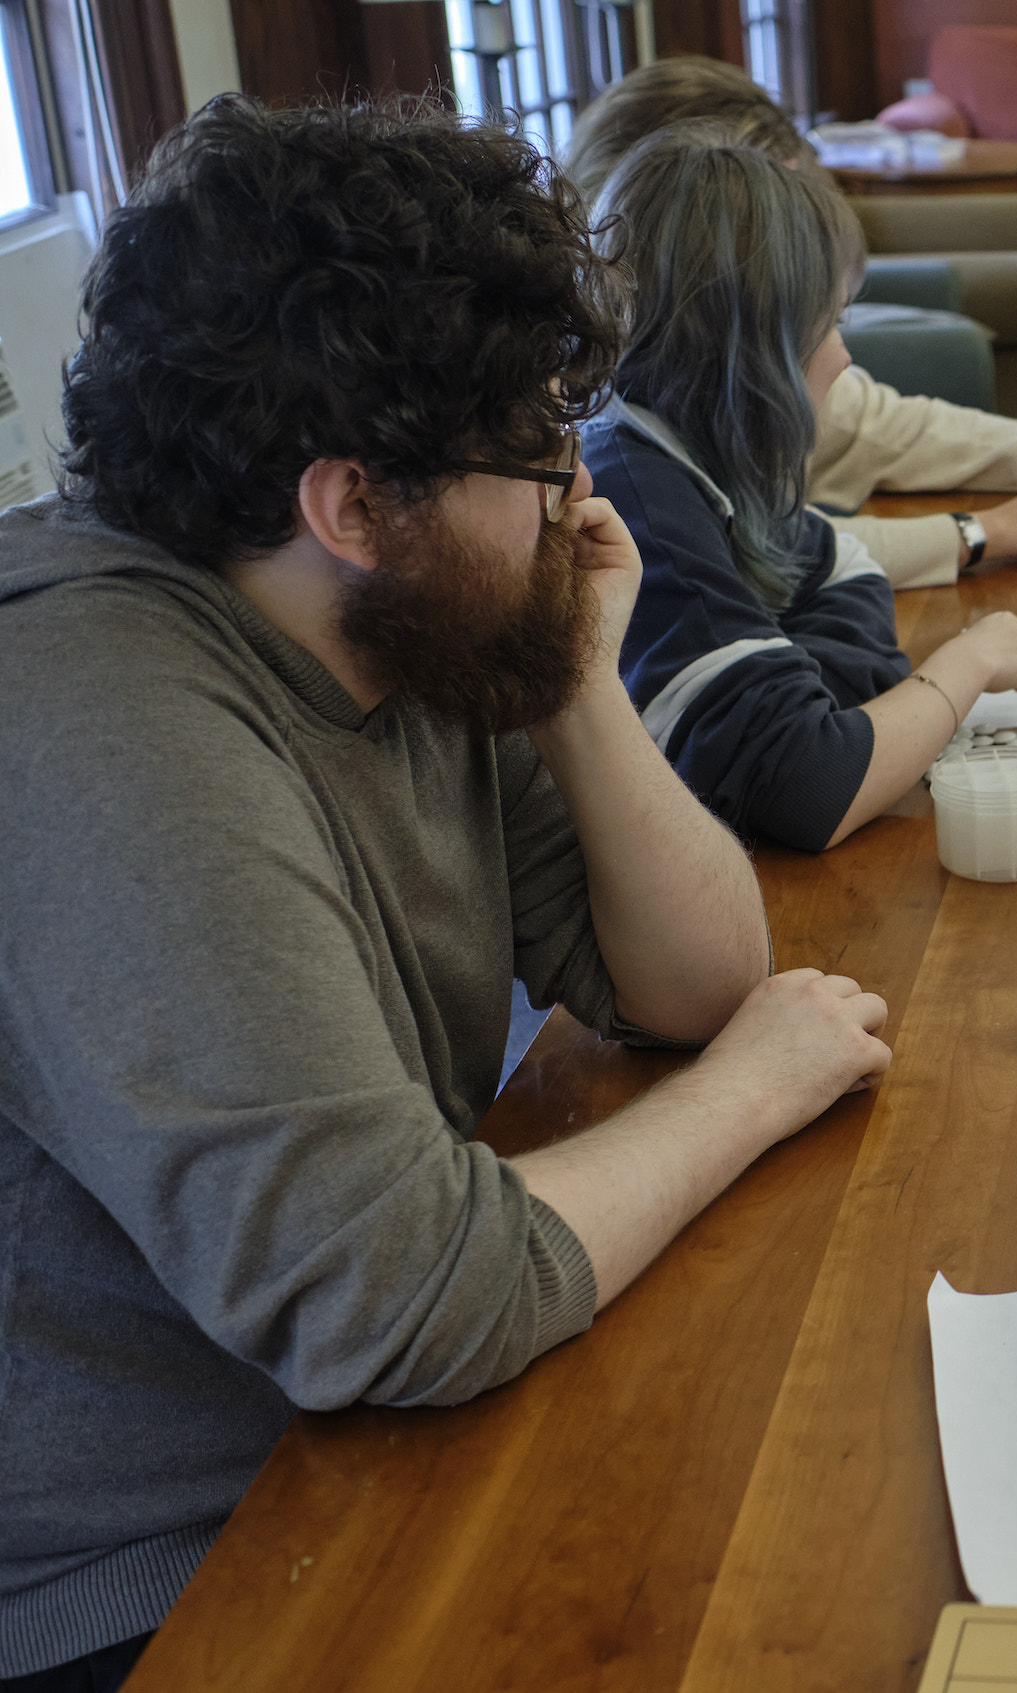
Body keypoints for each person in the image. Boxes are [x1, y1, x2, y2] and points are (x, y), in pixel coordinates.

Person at [0, 98, 892, 1689]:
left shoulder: (408, 622)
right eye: (539, 449)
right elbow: (393, 1299)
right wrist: (754, 1094)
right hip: (154, 1566)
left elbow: (693, 978)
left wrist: (575, 680)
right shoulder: (106, 722)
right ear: (352, 505)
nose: (579, 485)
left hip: (348, 1434)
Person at [562, 56, 1017, 590]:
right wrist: (982, 533)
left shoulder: (672, 351)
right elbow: (752, 555)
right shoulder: (612, 437)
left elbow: (882, 425)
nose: (844, 356)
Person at [585, 124, 1017, 853]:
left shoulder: (679, 452)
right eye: (828, 322)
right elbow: (814, 791)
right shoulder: (640, 505)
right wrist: (971, 661)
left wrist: (825, 712)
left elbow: (848, 565)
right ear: (751, 350)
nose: (844, 353)